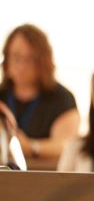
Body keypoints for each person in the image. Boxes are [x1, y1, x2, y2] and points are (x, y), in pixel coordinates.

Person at [0, 24, 79, 160]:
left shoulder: (61, 98)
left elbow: (67, 146)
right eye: (16, 57)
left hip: (46, 178)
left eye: (29, 59)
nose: (21, 66)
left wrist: (30, 147)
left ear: (43, 61)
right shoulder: (2, 94)